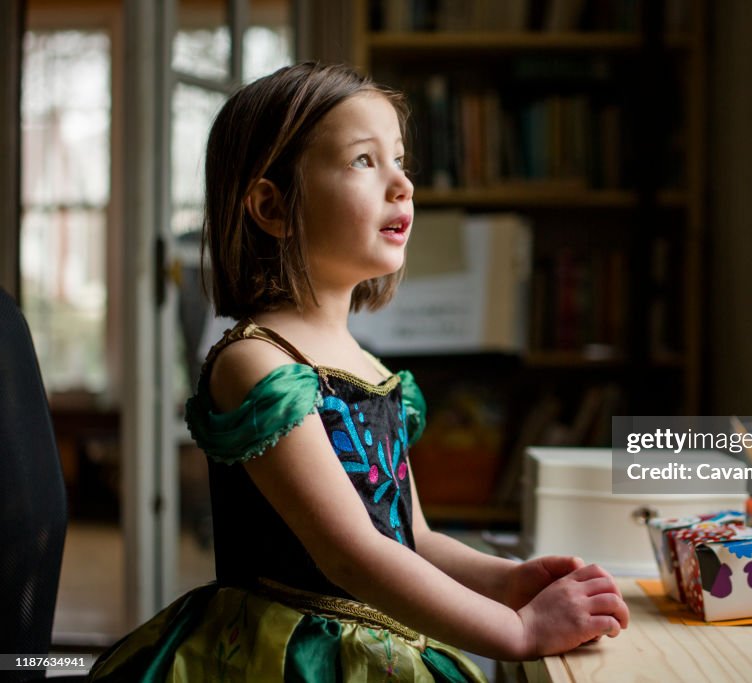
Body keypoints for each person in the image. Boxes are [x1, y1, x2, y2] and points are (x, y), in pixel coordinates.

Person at [88, 62, 629, 682]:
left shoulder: (368, 366)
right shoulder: (259, 363)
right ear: (272, 205)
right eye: (363, 161)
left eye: (400, 161)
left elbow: (412, 538)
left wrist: (507, 581)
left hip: (380, 643)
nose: (403, 185)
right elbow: (352, 555)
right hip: (289, 659)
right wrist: (518, 631)